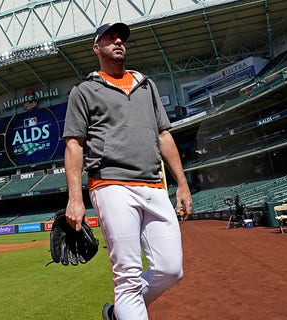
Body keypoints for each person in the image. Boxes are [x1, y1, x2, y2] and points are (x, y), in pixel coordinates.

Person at [62, 22, 193, 320]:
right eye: (110, 38)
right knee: (128, 277)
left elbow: (164, 136)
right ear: (97, 47)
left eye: (121, 38)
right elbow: (74, 144)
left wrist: (182, 184)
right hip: (111, 185)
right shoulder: (83, 90)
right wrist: (75, 198)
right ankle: (128, 305)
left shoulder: (147, 85)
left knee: (171, 270)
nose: (118, 41)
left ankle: (120, 313)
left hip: (154, 185)